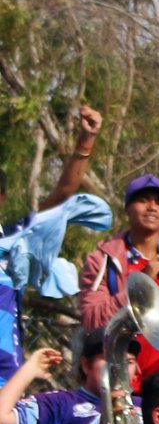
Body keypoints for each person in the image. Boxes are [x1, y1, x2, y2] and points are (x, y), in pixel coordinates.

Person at [0, 103, 101, 376]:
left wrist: (86, 140)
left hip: (6, 377)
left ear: (2, 198)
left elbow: (64, 193)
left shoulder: (16, 237)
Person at [79, 174, 159, 379]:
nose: (152, 207)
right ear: (127, 209)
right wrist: (140, 286)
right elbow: (92, 320)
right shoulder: (103, 260)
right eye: (143, 200)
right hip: (123, 379)